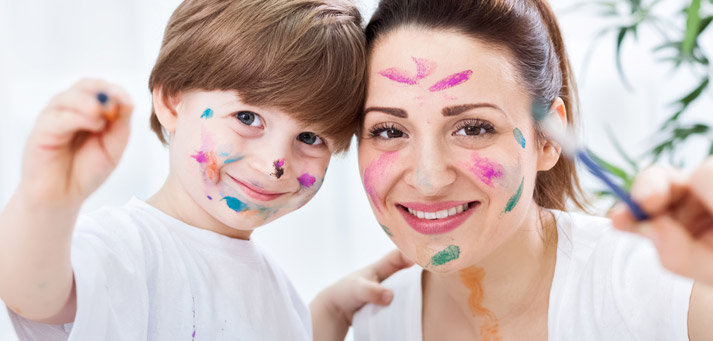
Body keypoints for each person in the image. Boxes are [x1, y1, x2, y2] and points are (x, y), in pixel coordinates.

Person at [0, 0, 411, 339]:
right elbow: (31, 294)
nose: (274, 164)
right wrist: (46, 198)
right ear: (172, 101)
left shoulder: (276, 288)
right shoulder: (128, 248)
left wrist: (329, 313)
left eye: (310, 139)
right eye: (248, 118)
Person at [351, 0, 713, 340]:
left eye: (473, 128)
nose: (428, 179)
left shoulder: (652, 281)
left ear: (548, 139)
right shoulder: (376, 320)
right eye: (389, 131)